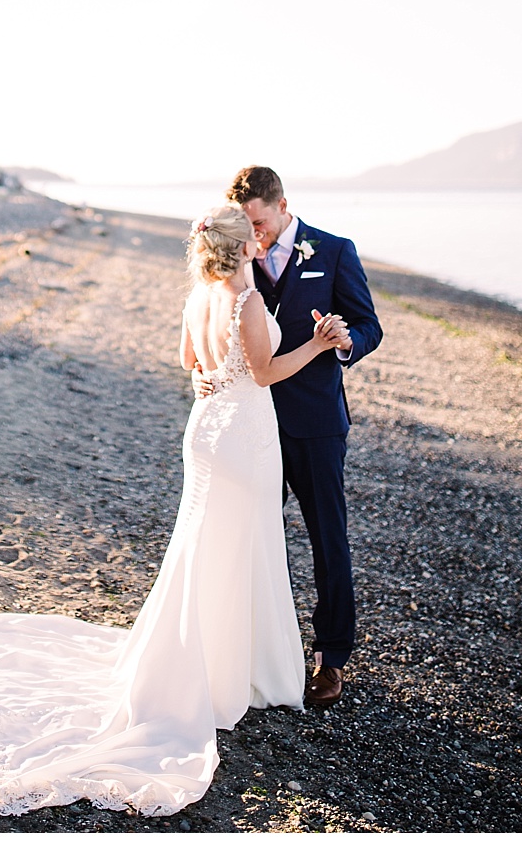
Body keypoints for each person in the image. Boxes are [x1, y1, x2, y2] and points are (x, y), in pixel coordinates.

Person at [0, 204, 349, 818]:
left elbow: (190, 362)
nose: (262, 248)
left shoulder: (197, 297)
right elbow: (263, 372)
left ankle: (213, 658)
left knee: (204, 545)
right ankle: (238, 669)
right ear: (243, 249)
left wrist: (210, 380)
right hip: (244, 436)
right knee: (243, 546)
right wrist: (315, 345)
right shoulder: (247, 302)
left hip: (207, 428)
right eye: (254, 243)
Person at [195, 166, 383, 710]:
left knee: (328, 538)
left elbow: (369, 324)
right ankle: (247, 651)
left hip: (315, 424)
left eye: (261, 223)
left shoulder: (334, 250)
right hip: (249, 427)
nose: (255, 238)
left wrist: (347, 340)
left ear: (282, 205)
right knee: (249, 535)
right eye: (246, 226)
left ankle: (331, 658)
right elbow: (216, 341)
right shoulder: (234, 266)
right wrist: (199, 374)